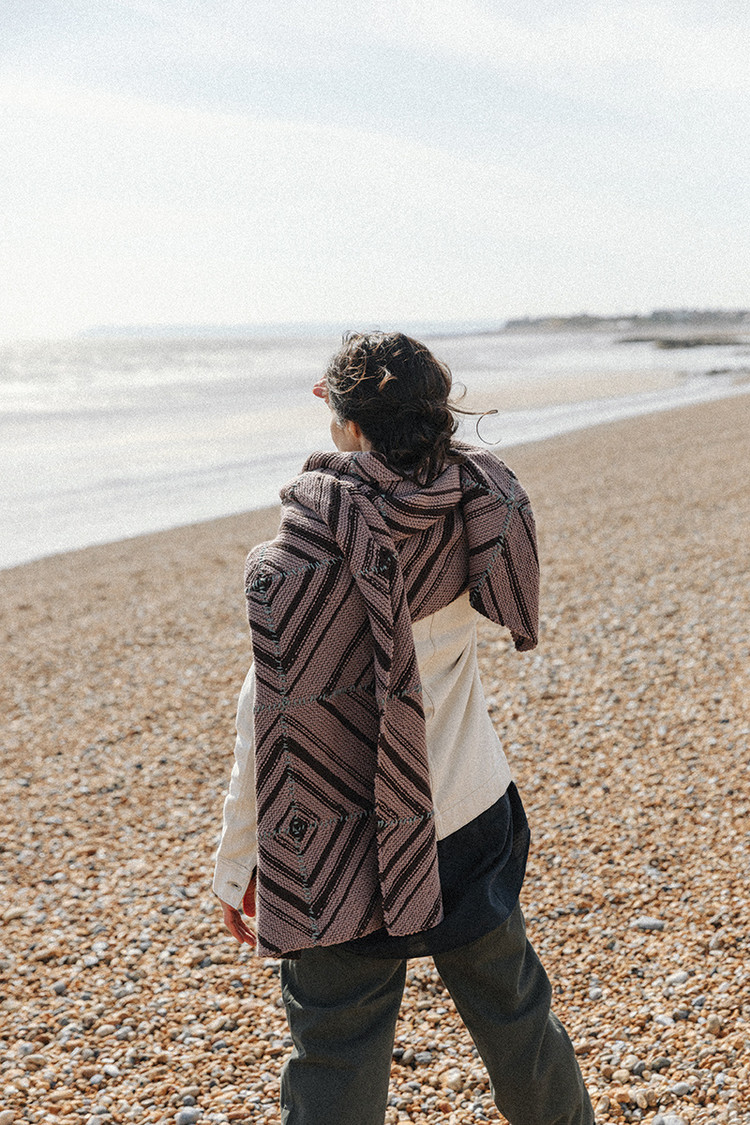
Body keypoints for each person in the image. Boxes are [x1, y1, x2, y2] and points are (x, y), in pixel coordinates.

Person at [214, 331, 594, 1125]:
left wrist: (238, 862)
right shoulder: (475, 509)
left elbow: (266, 721)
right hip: (465, 815)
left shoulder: (294, 565)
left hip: (335, 836)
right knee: (515, 1017)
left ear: (345, 423)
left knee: (337, 1046)